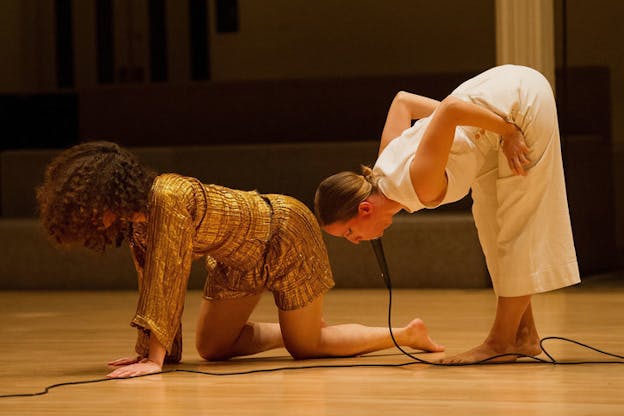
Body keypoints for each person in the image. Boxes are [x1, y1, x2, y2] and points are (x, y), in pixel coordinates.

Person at [36, 141, 444, 378]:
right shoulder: (140, 222)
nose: (89, 217)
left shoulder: (166, 197)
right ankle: (297, 323)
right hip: (238, 258)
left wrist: (154, 362)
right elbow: (153, 279)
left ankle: (406, 334)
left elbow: (170, 276)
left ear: (109, 194)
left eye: (90, 207)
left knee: (308, 347)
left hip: (283, 231)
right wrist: (150, 351)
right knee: (214, 347)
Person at [315, 65, 581, 364]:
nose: (355, 241)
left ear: (365, 209)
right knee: (493, 228)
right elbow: (403, 101)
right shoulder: (383, 166)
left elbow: (452, 109)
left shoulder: (418, 184)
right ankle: (524, 336)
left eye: (350, 232)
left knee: (518, 227)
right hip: (498, 101)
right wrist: (473, 125)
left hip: (519, 102)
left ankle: (500, 342)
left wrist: (505, 130)